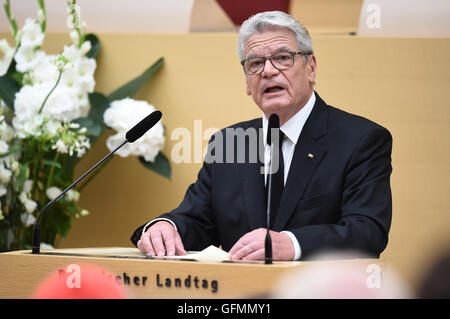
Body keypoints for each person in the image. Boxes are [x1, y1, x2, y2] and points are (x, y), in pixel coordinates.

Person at [130, 11, 392, 261]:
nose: (268, 71)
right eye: (255, 63)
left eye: (282, 58)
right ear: (247, 82)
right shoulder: (228, 142)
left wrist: (292, 243)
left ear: (311, 68)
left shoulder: (361, 140)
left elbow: (367, 231)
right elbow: (199, 221)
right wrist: (166, 227)